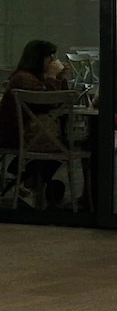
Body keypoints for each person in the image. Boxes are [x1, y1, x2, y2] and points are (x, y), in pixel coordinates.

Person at [0, 39, 70, 206]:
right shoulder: (24, 78)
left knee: (60, 144)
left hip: (31, 134)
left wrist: (59, 77)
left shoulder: (35, 78)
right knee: (62, 147)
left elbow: (61, 100)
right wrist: (53, 77)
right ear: (39, 58)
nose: (52, 61)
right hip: (17, 134)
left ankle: (27, 180)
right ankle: (27, 184)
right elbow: (49, 102)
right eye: (49, 57)